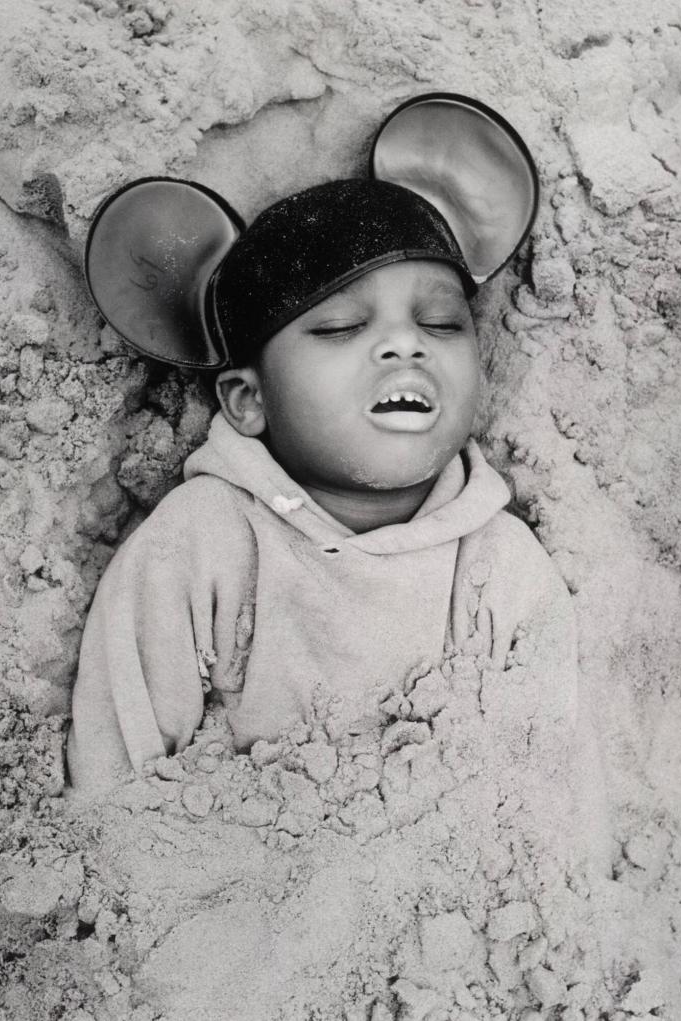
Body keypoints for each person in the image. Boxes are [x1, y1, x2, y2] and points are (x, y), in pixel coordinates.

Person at [67, 177, 577, 796]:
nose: (404, 343)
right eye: (339, 327)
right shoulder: (199, 542)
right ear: (249, 399)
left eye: (441, 323)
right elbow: (112, 780)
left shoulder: (501, 566)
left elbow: (555, 796)